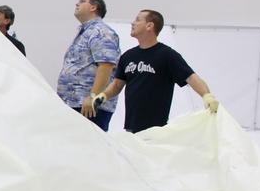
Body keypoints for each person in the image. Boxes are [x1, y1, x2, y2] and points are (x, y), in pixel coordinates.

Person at [91, 9, 219, 133]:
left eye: (137, 20)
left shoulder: (167, 55)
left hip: (156, 129)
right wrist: (104, 95)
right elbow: (117, 84)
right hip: (131, 126)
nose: (132, 23)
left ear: (149, 26)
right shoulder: (128, 56)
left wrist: (206, 96)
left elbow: (191, 77)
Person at [57, 0, 120, 131]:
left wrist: (93, 97)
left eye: (82, 1)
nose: (77, 3)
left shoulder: (101, 32)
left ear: (93, 7)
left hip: (90, 107)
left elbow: (106, 66)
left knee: (90, 149)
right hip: (74, 103)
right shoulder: (85, 32)